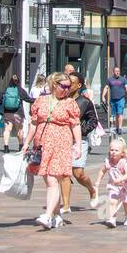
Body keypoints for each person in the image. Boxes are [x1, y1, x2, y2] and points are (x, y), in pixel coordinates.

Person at [25, 73, 83, 231]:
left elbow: (75, 125)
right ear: (53, 85)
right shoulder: (41, 101)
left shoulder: (70, 103)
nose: (66, 89)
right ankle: (57, 216)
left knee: (52, 180)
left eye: (68, 87)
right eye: (63, 86)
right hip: (42, 145)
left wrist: (78, 145)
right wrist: (26, 143)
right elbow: (34, 123)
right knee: (49, 181)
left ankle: (48, 215)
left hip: (61, 145)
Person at [61, 73, 100, 215]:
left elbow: (93, 120)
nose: (68, 85)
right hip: (62, 140)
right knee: (64, 173)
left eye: (71, 82)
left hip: (79, 140)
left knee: (78, 173)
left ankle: (92, 189)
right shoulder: (61, 99)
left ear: (78, 85)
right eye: (66, 81)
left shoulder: (84, 102)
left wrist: (82, 131)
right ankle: (65, 205)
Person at [95, 137, 127, 228]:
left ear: (122, 153)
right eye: (111, 150)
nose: (113, 152)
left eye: (116, 150)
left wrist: (121, 179)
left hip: (125, 186)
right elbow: (102, 171)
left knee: (126, 203)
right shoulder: (108, 162)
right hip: (113, 186)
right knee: (112, 202)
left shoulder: (123, 162)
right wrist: (98, 181)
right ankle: (112, 219)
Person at [0, 74, 33, 154]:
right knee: (20, 130)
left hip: (7, 112)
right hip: (18, 113)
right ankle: (21, 146)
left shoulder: (6, 89)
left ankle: (6, 147)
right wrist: (38, 99)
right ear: (18, 81)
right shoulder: (20, 90)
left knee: (7, 130)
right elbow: (28, 99)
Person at [103, 66, 127, 137]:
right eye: (116, 71)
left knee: (120, 113)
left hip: (121, 99)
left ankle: (120, 128)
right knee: (114, 115)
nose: (117, 72)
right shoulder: (110, 79)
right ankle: (116, 127)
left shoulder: (123, 79)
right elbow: (106, 87)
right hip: (113, 99)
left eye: (118, 71)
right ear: (113, 72)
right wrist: (103, 96)